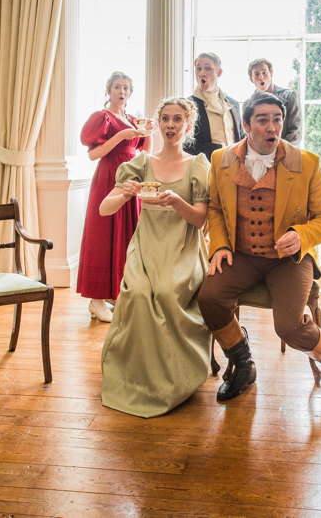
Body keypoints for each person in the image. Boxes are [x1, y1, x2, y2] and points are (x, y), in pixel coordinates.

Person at [198, 93, 321, 402]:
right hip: (243, 254)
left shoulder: (305, 163)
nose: (271, 127)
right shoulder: (220, 160)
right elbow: (215, 209)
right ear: (246, 125)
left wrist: (301, 235)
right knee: (209, 297)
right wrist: (220, 246)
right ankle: (243, 363)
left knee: (289, 328)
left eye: (277, 119)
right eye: (262, 120)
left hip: (288, 260)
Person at [99, 97, 211, 417]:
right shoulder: (139, 164)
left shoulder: (198, 165)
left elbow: (201, 220)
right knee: (136, 293)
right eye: (165, 119)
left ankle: (175, 377)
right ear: (158, 124)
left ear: (188, 126)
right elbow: (104, 209)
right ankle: (133, 376)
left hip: (182, 248)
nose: (171, 125)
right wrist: (124, 193)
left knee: (165, 292)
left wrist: (177, 202)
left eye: (178, 120)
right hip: (145, 246)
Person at [76, 72, 152, 323]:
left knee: (128, 236)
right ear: (108, 91)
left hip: (131, 179)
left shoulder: (131, 119)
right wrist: (121, 136)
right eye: (117, 87)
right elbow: (93, 154)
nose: (122, 91)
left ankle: (118, 293)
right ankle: (96, 300)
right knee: (105, 235)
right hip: (109, 177)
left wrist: (147, 132)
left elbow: (142, 153)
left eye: (126, 88)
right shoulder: (102, 118)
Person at [187, 52, 242, 157]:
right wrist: (218, 150)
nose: (201, 73)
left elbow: (240, 137)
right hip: (205, 167)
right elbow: (184, 144)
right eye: (198, 69)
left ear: (219, 72)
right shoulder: (187, 105)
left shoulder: (234, 104)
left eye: (207, 68)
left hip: (235, 166)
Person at [247, 57, 301, 143]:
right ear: (251, 79)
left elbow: (295, 131)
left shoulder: (290, 96)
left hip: (284, 153)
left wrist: (280, 151)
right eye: (256, 74)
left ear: (271, 74)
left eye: (264, 73)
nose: (261, 77)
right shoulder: (248, 104)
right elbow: (248, 133)